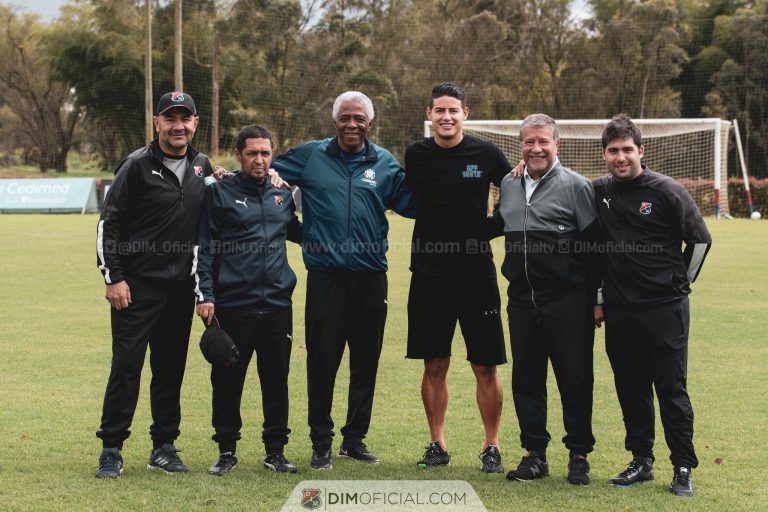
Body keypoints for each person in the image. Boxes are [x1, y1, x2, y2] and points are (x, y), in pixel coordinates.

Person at [270, 91, 416, 469]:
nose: (352, 124)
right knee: (322, 360)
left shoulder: (384, 163)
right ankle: (321, 442)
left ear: (371, 122)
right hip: (325, 278)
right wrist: (294, 228)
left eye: (359, 118)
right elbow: (267, 177)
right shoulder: (310, 156)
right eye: (345, 118)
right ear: (334, 122)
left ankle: (354, 439)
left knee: (365, 362)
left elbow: (413, 203)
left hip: (371, 279)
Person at [94, 91, 213, 478]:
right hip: (135, 288)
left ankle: (164, 446)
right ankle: (111, 448)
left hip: (179, 289)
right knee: (127, 367)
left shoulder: (202, 166)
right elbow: (108, 225)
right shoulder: (136, 165)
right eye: (170, 118)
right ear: (157, 123)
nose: (178, 126)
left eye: (185, 118)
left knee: (169, 369)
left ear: (196, 123)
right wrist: (114, 278)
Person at [593, 114, 711, 497]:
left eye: (628, 150)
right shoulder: (599, 191)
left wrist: (680, 283)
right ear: (605, 154)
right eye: (613, 151)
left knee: (671, 389)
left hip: (664, 308)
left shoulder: (667, 190)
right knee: (631, 387)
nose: (621, 157)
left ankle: (682, 467)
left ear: (641, 151)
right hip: (620, 310)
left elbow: (699, 241)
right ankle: (641, 461)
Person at [403, 83, 509, 473]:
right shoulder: (416, 154)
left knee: (485, 365)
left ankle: (492, 445)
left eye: (454, 110)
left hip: (476, 271)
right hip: (429, 272)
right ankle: (437, 443)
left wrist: (491, 227)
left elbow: (514, 188)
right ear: (429, 114)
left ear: (466, 113)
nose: (446, 117)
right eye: (439, 110)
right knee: (434, 363)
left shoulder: (486, 153)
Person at [495, 113, 600, 485]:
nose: (536, 148)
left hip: (569, 300)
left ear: (557, 144)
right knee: (526, 379)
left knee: (574, 378)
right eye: (529, 142)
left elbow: (595, 248)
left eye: (543, 141)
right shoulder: (508, 185)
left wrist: (598, 297)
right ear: (520, 146)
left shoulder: (577, 186)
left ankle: (579, 454)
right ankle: (534, 454)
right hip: (522, 300)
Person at [193, 125, 302, 476]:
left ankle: (275, 452)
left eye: (265, 153)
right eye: (252, 153)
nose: (259, 159)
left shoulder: (282, 196)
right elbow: (205, 248)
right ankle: (226, 451)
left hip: (276, 307)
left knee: (276, 381)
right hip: (232, 307)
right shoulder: (220, 193)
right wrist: (206, 295)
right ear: (238, 154)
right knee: (227, 381)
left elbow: (303, 232)